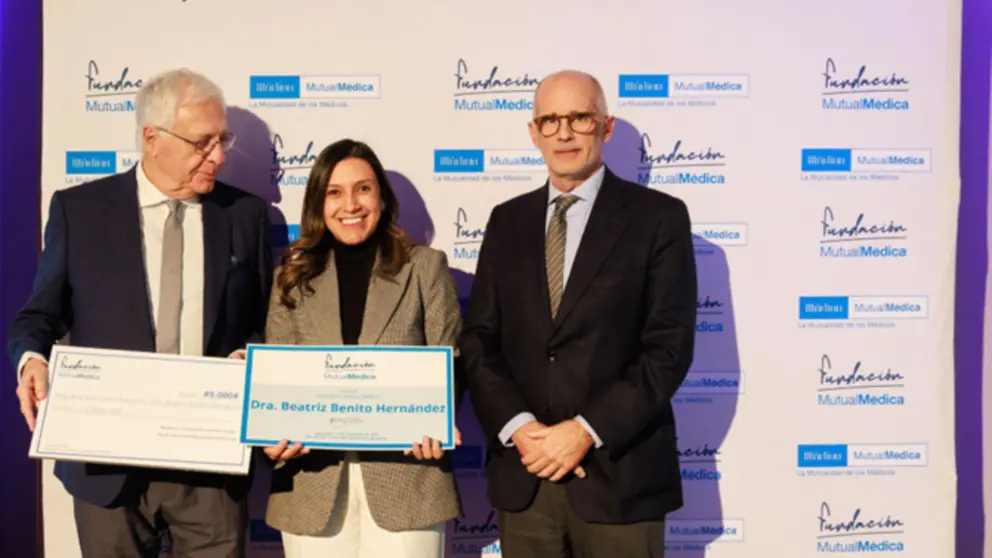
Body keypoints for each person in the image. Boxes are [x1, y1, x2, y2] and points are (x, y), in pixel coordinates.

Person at [7, 68, 273, 556]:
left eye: (222, 141)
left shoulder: (245, 216)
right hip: (107, 472)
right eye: (201, 142)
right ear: (152, 138)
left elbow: (263, 324)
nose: (216, 156)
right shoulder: (79, 210)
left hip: (210, 468)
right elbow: (37, 319)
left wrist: (246, 354)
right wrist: (32, 360)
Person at [459, 70, 698, 557]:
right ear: (533, 132)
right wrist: (517, 428)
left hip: (620, 480)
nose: (563, 132)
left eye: (579, 118)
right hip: (525, 478)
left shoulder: (659, 218)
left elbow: (668, 348)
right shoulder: (507, 221)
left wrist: (584, 431)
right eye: (549, 120)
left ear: (605, 127)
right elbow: (480, 339)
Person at [261, 139, 464, 558]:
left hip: (407, 480)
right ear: (318, 203)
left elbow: (452, 360)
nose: (350, 204)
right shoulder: (291, 278)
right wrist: (270, 435)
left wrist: (438, 422)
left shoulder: (425, 266)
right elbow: (276, 381)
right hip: (310, 485)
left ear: (383, 198)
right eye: (334, 192)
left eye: (363, 189)